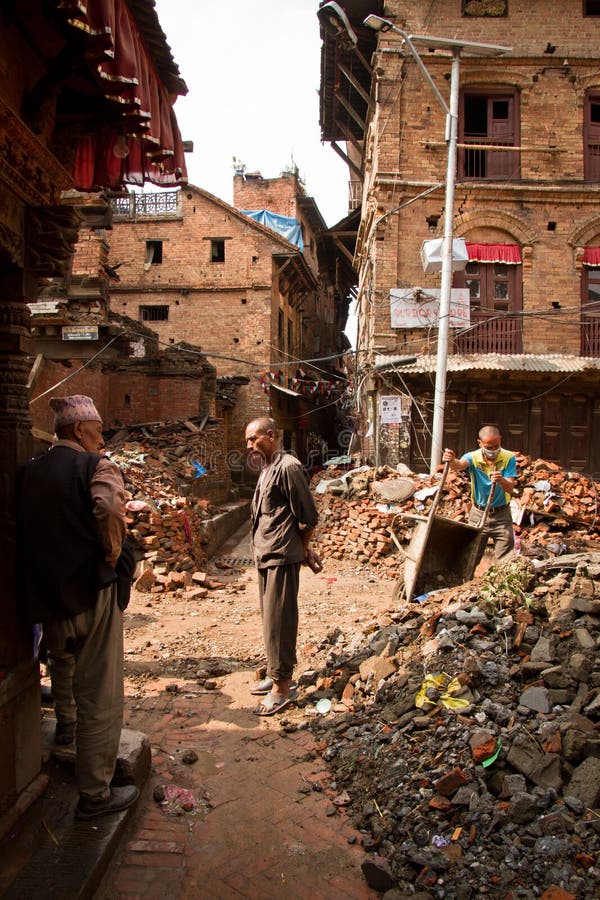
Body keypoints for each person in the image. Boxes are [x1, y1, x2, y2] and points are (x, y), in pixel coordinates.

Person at [16, 395, 139, 819]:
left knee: (62, 663)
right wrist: (111, 550)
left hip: (49, 597)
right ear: (77, 430)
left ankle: (64, 726)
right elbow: (107, 507)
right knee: (101, 695)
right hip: (92, 592)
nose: (102, 437)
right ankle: (95, 794)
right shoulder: (96, 466)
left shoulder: (29, 471)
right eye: (98, 429)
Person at [245, 417, 322, 716]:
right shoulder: (267, 468)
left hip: (281, 556)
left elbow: (308, 517)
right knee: (270, 622)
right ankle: (274, 675)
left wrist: (302, 550)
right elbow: (281, 516)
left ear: (270, 435)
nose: (249, 445)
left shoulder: (288, 467)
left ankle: (282, 687)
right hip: (267, 554)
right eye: (248, 440)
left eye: (254, 439)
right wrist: (304, 547)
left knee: (280, 622)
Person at [442, 424, 517, 565]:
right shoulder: (473, 457)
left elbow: (510, 487)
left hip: (502, 515)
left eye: (496, 446)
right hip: (478, 513)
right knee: (471, 556)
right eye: (489, 447)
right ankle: (465, 584)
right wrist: (452, 460)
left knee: (506, 559)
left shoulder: (509, 458)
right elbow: (459, 465)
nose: (493, 450)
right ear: (480, 443)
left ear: (500, 440)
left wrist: (501, 480)